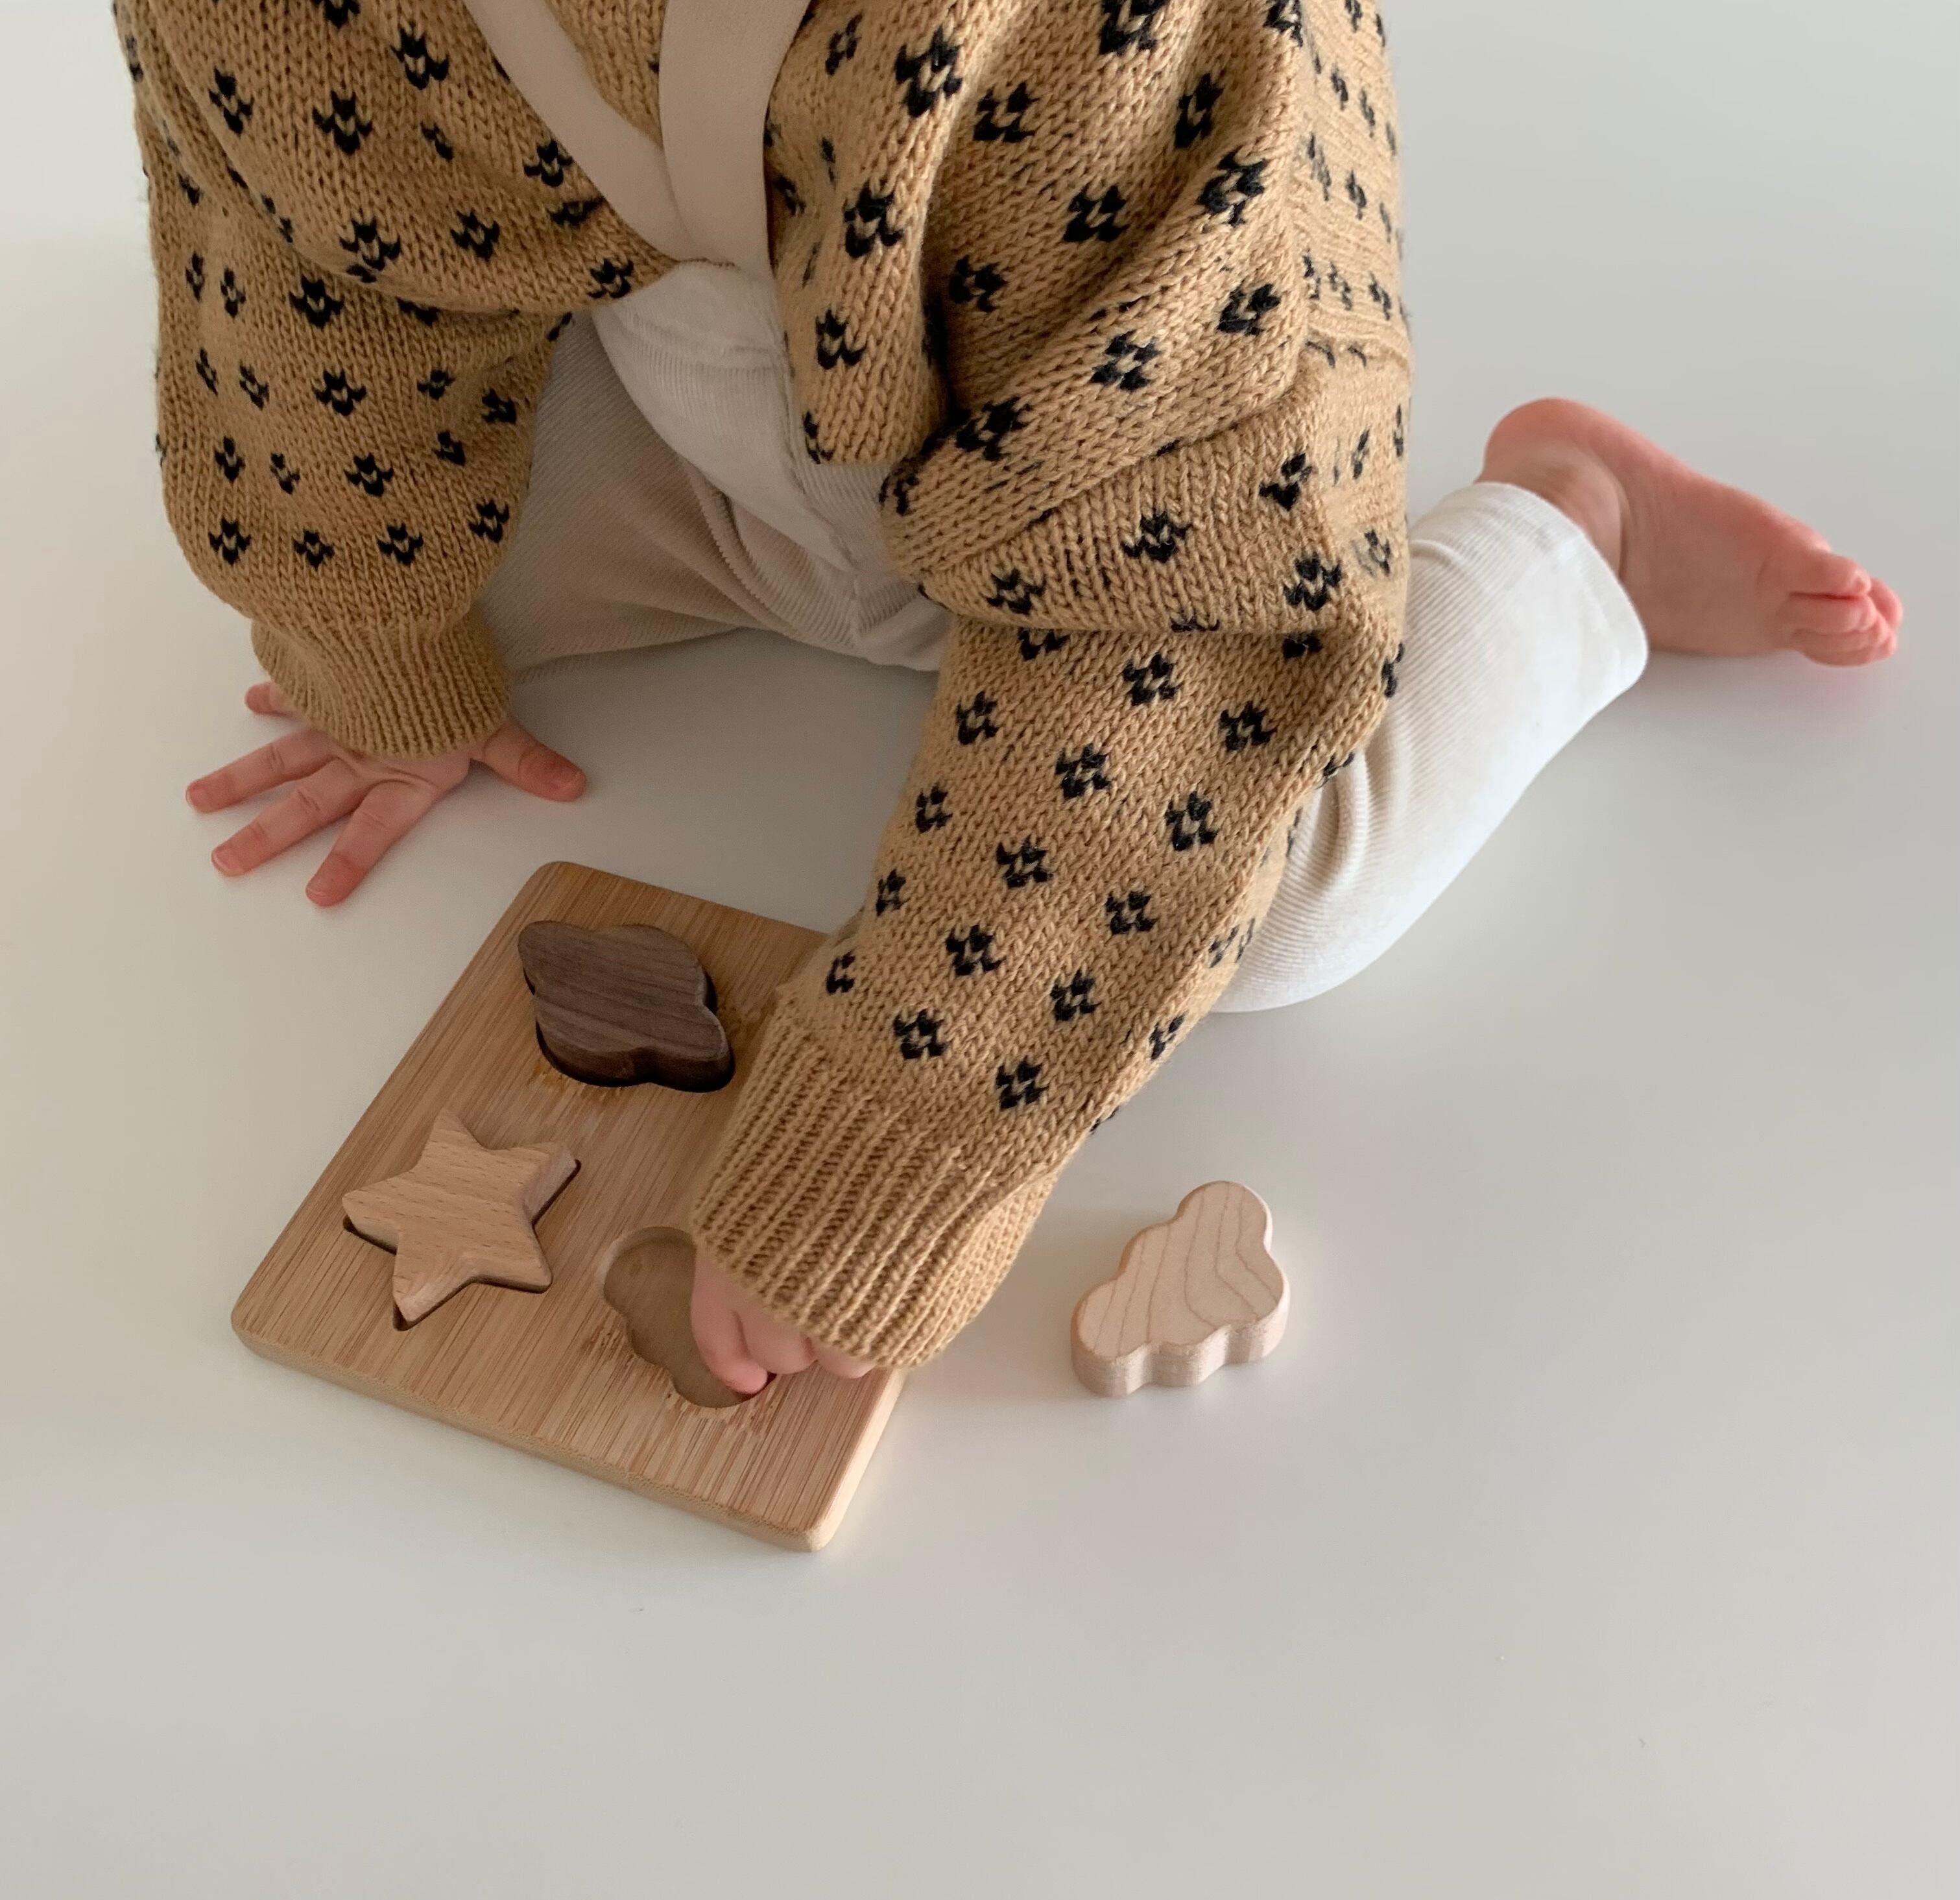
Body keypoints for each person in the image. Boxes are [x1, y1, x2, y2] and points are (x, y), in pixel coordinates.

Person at [117, 0, 1900, 1395]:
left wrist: (891, 1149)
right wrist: (376, 642)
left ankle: (1575, 531)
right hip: (706, 329)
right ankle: (760, 558)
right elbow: (281, 235)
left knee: (1277, 908)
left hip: (1157, 441)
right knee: (427, 561)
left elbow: (1196, 630)